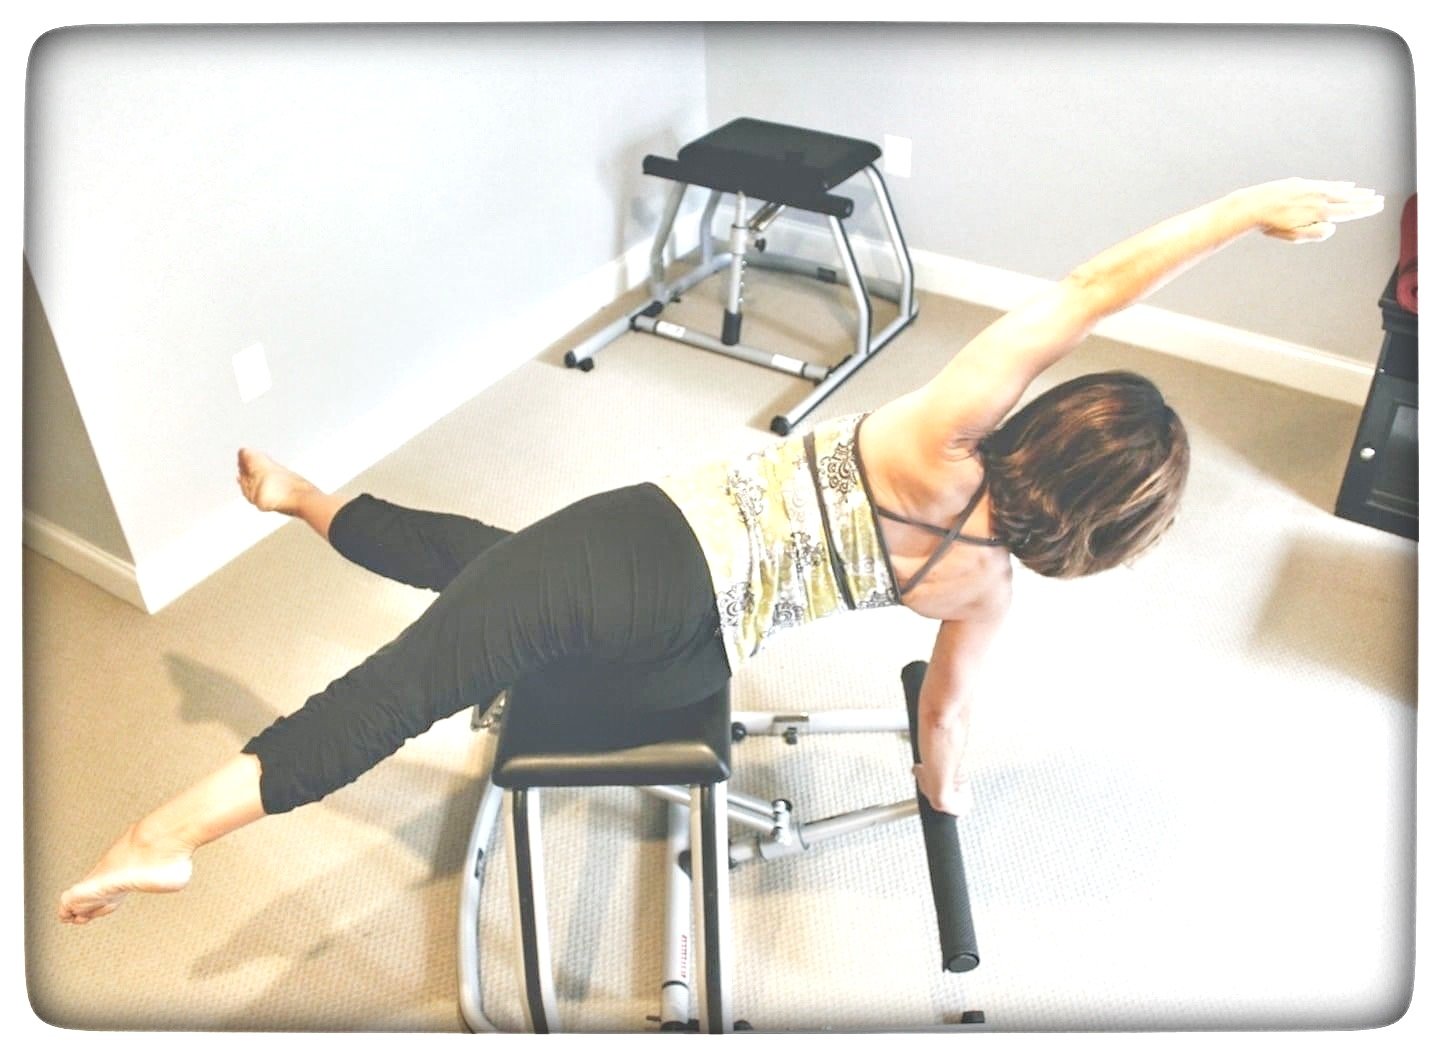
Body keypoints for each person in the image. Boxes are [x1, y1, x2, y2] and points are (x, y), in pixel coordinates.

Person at [58, 177, 1383, 925]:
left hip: (640, 555)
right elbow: (945, 729)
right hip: (690, 654)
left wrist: (1239, 213)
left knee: (413, 678)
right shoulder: (987, 597)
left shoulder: (946, 431)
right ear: (1114, 530)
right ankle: (311, 501)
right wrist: (945, 803)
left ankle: (164, 832)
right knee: (484, 559)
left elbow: (1094, 288)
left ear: (1052, 422)